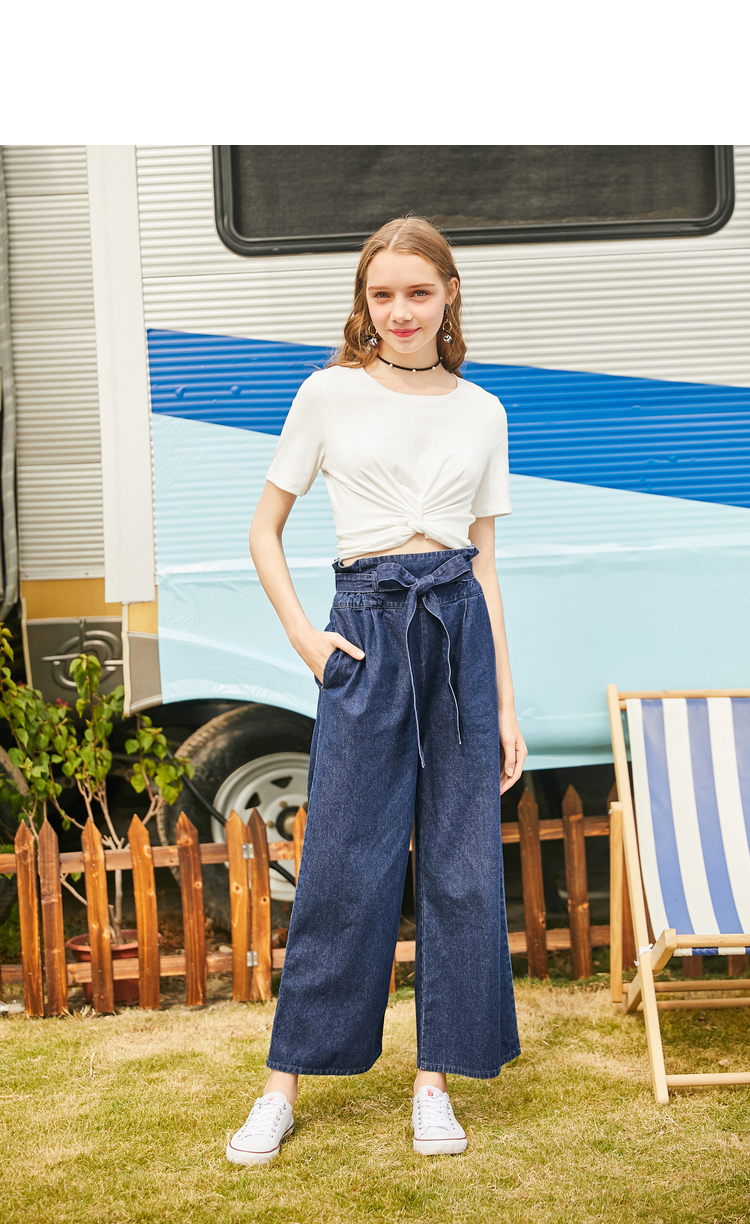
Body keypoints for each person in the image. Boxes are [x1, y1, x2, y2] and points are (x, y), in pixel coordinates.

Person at [227, 216, 526, 1167]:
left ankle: (434, 1084)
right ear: (364, 300)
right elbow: (264, 529)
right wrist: (305, 638)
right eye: (383, 293)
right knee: (343, 864)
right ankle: (281, 1087)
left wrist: (505, 703)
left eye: (418, 292)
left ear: (449, 296)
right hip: (364, 627)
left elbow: (485, 566)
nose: (400, 311)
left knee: (461, 864)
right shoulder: (328, 393)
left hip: (457, 631)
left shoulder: (483, 410)